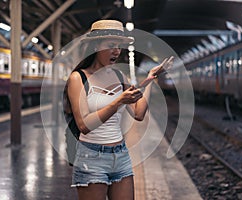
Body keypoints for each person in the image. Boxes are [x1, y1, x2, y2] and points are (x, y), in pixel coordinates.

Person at [66, 19, 170, 200]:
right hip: (91, 157)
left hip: (120, 155)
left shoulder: (118, 75)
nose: (117, 51)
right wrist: (118, 102)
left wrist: (151, 79)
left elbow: (138, 113)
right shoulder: (78, 78)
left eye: (119, 46)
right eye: (112, 45)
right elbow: (84, 125)